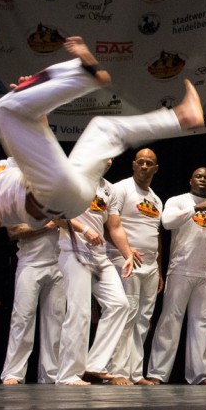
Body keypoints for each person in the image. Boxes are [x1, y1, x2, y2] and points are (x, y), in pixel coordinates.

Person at [0, 36, 204, 236]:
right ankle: (86, 75)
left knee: (104, 128)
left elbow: (37, 146)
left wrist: (32, 100)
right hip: (48, 199)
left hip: (70, 189)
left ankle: (181, 117)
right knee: (2, 110)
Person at [56, 161, 138, 386]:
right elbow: (54, 214)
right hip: (75, 250)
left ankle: (95, 364)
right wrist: (83, 228)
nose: (109, 161)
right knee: (79, 311)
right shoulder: (72, 179)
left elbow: (115, 226)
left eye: (112, 157)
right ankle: (68, 374)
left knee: (119, 304)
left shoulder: (109, 189)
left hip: (99, 255)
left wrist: (128, 254)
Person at [146, 167, 206, 385]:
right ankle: (157, 373)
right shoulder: (178, 201)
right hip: (181, 269)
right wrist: (194, 208)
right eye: (199, 176)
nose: (203, 180)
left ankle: (200, 375)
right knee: (170, 322)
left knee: (202, 324)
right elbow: (167, 222)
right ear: (191, 180)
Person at [106, 148, 163, 385]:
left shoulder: (156, 199)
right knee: (126, 315)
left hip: (150, 265)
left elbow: (155, 234)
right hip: (125, 260)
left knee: (143, 319)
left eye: (149, 163)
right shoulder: (121, 188)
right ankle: (116, 371)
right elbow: (109, 225)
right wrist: (127, 251)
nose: (145, 166)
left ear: (156, 168)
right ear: (133, 164)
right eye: (141, 162)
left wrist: (159, 268)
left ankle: (135, 372)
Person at [1, 221, 65, 384]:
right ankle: (13, 372)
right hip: (30, 264)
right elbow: (13, 231)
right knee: (22, 318)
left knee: (56, 321)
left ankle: (51, 374)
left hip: (59, 264)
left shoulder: (62, 206)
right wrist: (47, 225)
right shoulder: (24, 206)